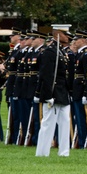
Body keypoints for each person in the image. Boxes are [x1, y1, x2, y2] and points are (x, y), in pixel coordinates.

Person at [35, 25, 73, 157]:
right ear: (57, 34)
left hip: (63, 93)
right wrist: (48, 94)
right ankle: (42, 152)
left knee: (65, 123)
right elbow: (46, 75)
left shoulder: (61, 51)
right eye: (65, 34)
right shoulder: (50, 52)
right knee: (48, 123)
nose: (68, 37)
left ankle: (64, 152)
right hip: (53, 93)